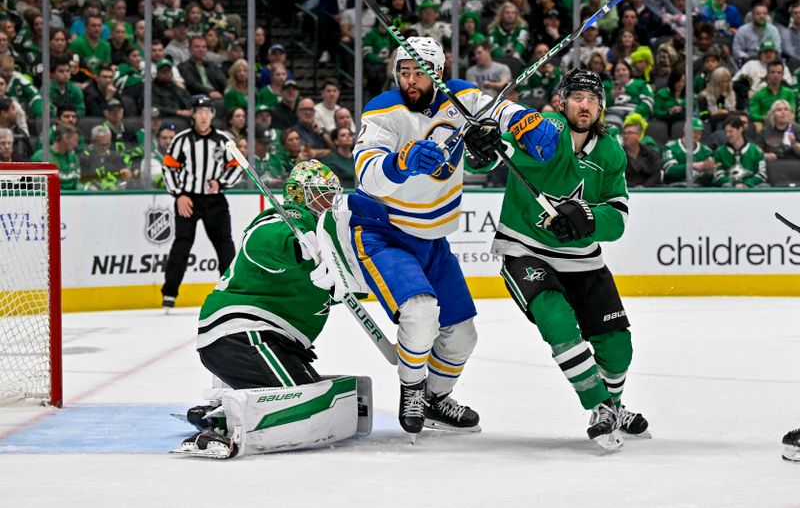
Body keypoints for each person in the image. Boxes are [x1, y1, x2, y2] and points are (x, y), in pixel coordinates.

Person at [352, 36, 542, 435]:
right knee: (421, 312)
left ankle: (436, 399)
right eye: (404, 71)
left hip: (431, 239)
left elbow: (498, 109)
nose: (410, 80)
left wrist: (526, 122)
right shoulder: (383, 111)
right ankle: (412, 390)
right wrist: (399, 162)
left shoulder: (458, 98)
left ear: (438, 75)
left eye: (419, 72)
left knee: (461, 336)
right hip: (383, 232)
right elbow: (366, 172)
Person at [465, 69, 649, 450]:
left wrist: (589, 220)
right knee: (557, 318)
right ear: (561, 103)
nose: (585, 104)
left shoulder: (611, 152)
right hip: (526, 249)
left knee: (618, 346)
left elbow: (618, 219)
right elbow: (500, 154)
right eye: (577, 97)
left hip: (583, 260)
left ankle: (614, 406)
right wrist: (481, 148)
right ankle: (599, 406)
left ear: (601, 107)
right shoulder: (548, 128)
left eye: (592, 99)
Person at [174, 160, 373, 458]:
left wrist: (338, 280)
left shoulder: (322, 237)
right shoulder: (291, 221)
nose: (329, 202)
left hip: (269, 339)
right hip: (244, 332)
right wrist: (296, 246)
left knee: (307, 389)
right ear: (298, 194)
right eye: (321, 194)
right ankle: (220, 425)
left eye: (332, 195)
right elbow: (260, 241)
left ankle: (219, 405)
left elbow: (332, 287)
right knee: (303, 399)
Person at [160, 95, 243, 311]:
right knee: (182, 244)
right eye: (200, 111)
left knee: (225, 245)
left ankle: (231, 291)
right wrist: (179, 194)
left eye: (208, 111)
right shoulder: (182, 140)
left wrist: (221, 182)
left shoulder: (223, 140)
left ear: (212, 115)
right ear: (193, 115)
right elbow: (168, 167)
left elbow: (237, 166)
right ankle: (169, 293)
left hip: (215, 200)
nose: (204, 115)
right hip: (188, 199)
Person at [712, 115, 768, 188]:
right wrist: (733, 184)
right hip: (729, 188)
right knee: (726, 186)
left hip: (751, 188)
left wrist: (746, 184)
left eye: (731, 131)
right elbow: (718, 174)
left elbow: (762, 174)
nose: (727, 135)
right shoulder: (719, 152)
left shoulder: (756, 150)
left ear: (740, 129)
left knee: (765, 186)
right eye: (725, 132)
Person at [662, 117, 717, 186]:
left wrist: (709, 172)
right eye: (694, 131)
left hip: (698, 189)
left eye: (699, 132)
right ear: (685, 130)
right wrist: (692, 166)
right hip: (675, 189)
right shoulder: (671, 147)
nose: (697, 135)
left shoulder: (707, 151)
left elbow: (711, 178)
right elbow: (670, 171)